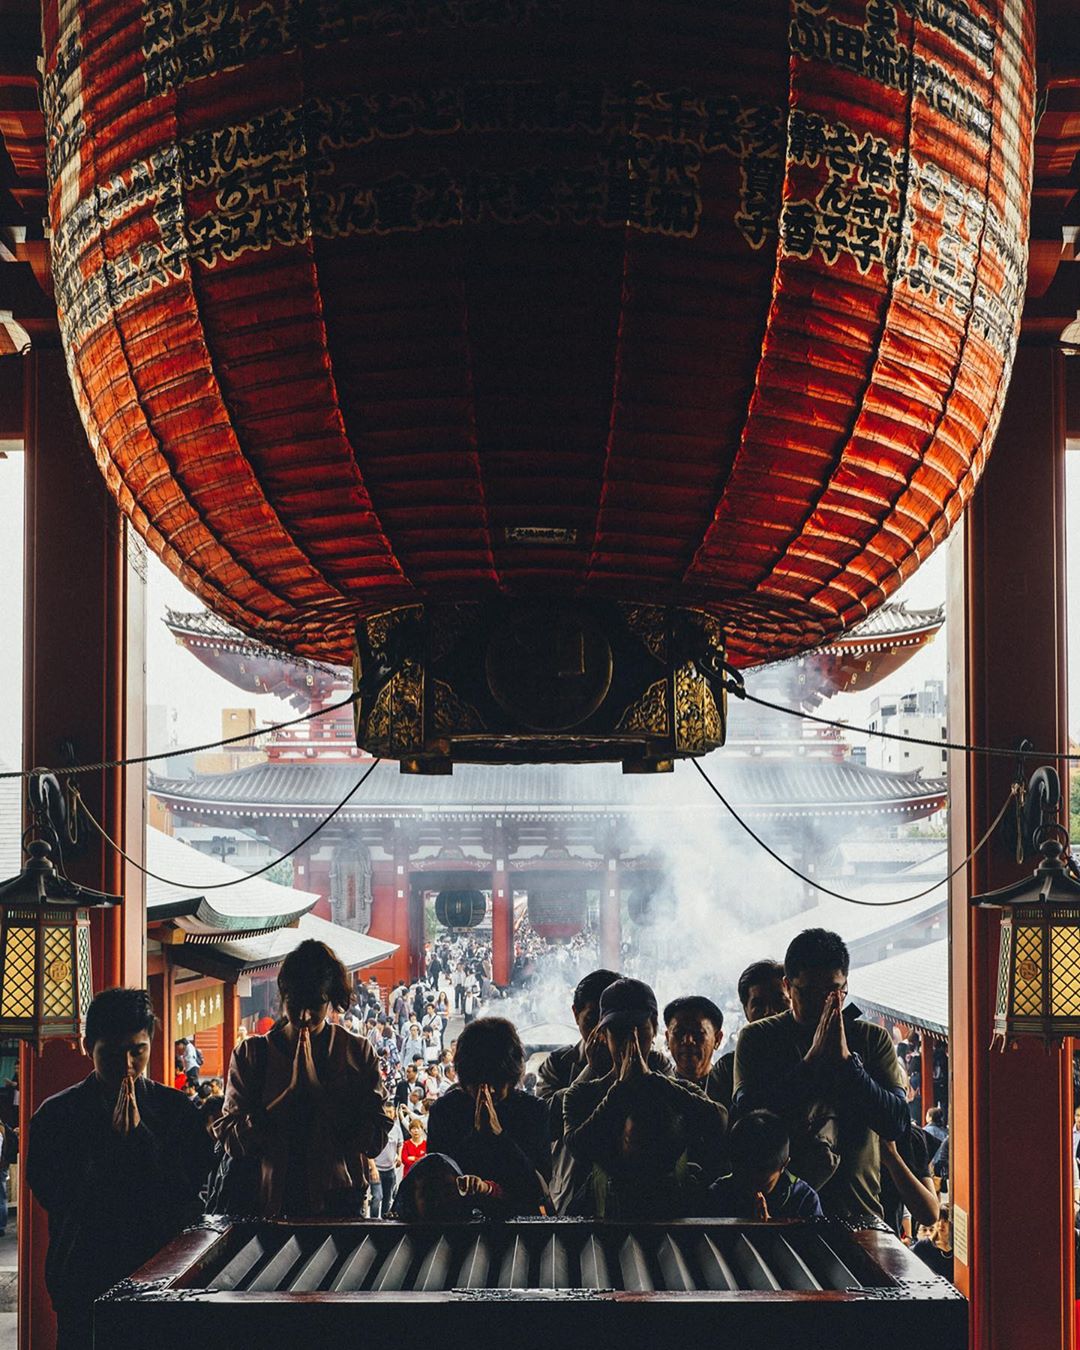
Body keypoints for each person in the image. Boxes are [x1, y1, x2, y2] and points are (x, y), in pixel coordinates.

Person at [25, 988, 214, 1350]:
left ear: (150, 1045)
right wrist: (111, 1149)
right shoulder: (56, 1116)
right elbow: (57, 1197)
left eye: (137, 1051)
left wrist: (142, 1141)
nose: (127, 1064)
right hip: (84, 1279)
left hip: (160, 1280)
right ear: (88, 1046)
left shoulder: (176, 1111)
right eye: (112, 1053)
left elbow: (191, 1199)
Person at [734, 928, 908, 1222]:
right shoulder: (758, 1038)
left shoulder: (870, 1039)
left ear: (845, 985)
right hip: (782, 1214)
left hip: (860, 1215)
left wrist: (846, 1064)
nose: (823, 1004)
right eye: (809, 993)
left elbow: (896, 1123)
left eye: (834, 992)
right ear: (789, 986)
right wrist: (811, 1062)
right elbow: (747, 1118)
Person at [215, 939, 390, 1218]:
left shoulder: (357, 1052)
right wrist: (288, 1098)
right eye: (295, 1005)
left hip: (340, 1202)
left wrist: (318, 1094)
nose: (304, 1016)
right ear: (283, 995)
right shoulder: (251, 1055)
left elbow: (375, 1141)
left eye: (316, 1005)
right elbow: (231, 1140)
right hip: (266, 1202)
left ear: (331, 999)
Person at [562, 978, 727, 1220]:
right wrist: (622, 1089)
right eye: (619, 1032)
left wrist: (651, 1081)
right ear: (603, 1034)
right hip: (606, 1223)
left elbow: (718, 1122)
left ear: (655, 1028)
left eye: (639, 1031)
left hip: (675, 1223)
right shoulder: (581, 1095)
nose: (631, 1042)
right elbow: (579, 1147)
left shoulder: (678, 1090)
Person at [426, 1017, 551, 1215]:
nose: (490, 1090)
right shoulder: (445, 1111)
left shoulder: (533, 1111)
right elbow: (437, 1184)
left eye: (498, 1081)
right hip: (459, 1231)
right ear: (464, 1078)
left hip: (520, 1230)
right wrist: (478, 1135)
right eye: (479, 1083)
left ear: (512, 1077)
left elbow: (537, 1188)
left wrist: (499, 1136)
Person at [706, 1110, 824, 1220]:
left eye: (761, 1184)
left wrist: (767, 1230)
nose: (750, 1189)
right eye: (742, 1179)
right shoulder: (717, 1194)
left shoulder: (804, 1200)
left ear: (784, 1166)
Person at [710, 959, 789, 1111]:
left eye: (779, 1001)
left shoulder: (813, 1050)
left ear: (793, 1000)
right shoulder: (727, 1068)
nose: (770, 1011)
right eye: (759, 1005)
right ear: (746, 1011)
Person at [373, 1102, 403, 1217]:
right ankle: (373, 1219)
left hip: (390, 1169)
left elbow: (400, 1143)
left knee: (387, 1198)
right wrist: (373, 1168)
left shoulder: (396, 1129)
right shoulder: (376, 1128)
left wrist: (399, 1155)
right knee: (377, 1197)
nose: (389, 1114)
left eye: (391, 1112)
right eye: (386, 1112)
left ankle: (384, 1221)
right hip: (377, 1168)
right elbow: (368, 1150)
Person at [912, 1205, 954, 1282]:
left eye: (945, 1221)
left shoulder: (959, 1249)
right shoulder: (922, 1246)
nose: (941, 1225)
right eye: (938, 1220)